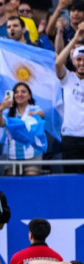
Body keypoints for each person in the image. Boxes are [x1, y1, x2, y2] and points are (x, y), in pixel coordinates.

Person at [0, 82, 45, 175]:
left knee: (30, 184)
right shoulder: (8, 112)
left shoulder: (33, 108)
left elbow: (41, 114)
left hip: (33, 155)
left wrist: (35, 114)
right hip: (13, 156)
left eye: (23, 92)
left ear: (29, 96)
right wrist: (0, 109)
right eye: (16, 92)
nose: (19, 94)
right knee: (12, 185)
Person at [55, 28, 84, 173]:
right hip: (70, 137)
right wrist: (75, 39)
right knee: (72, 180)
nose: (82, 63)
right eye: (79, 59)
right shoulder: (68, 79)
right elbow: (58, 64)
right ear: (73, 61)